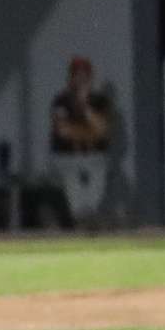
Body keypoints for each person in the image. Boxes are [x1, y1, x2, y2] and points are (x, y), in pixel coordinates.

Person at [51, 56, 115, 226]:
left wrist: (85, 106)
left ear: (90, 77)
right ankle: (79, 217)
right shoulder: (61, 100)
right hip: (68, 155)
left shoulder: (100, 101)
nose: (80, 79)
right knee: (71, 178)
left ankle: (89, 216)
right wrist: (89, 132)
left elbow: (102, 131)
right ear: (71, 78)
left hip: (95, 155)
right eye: (77, 75)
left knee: (99, 173)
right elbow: (63, 131)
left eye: (84, 75)